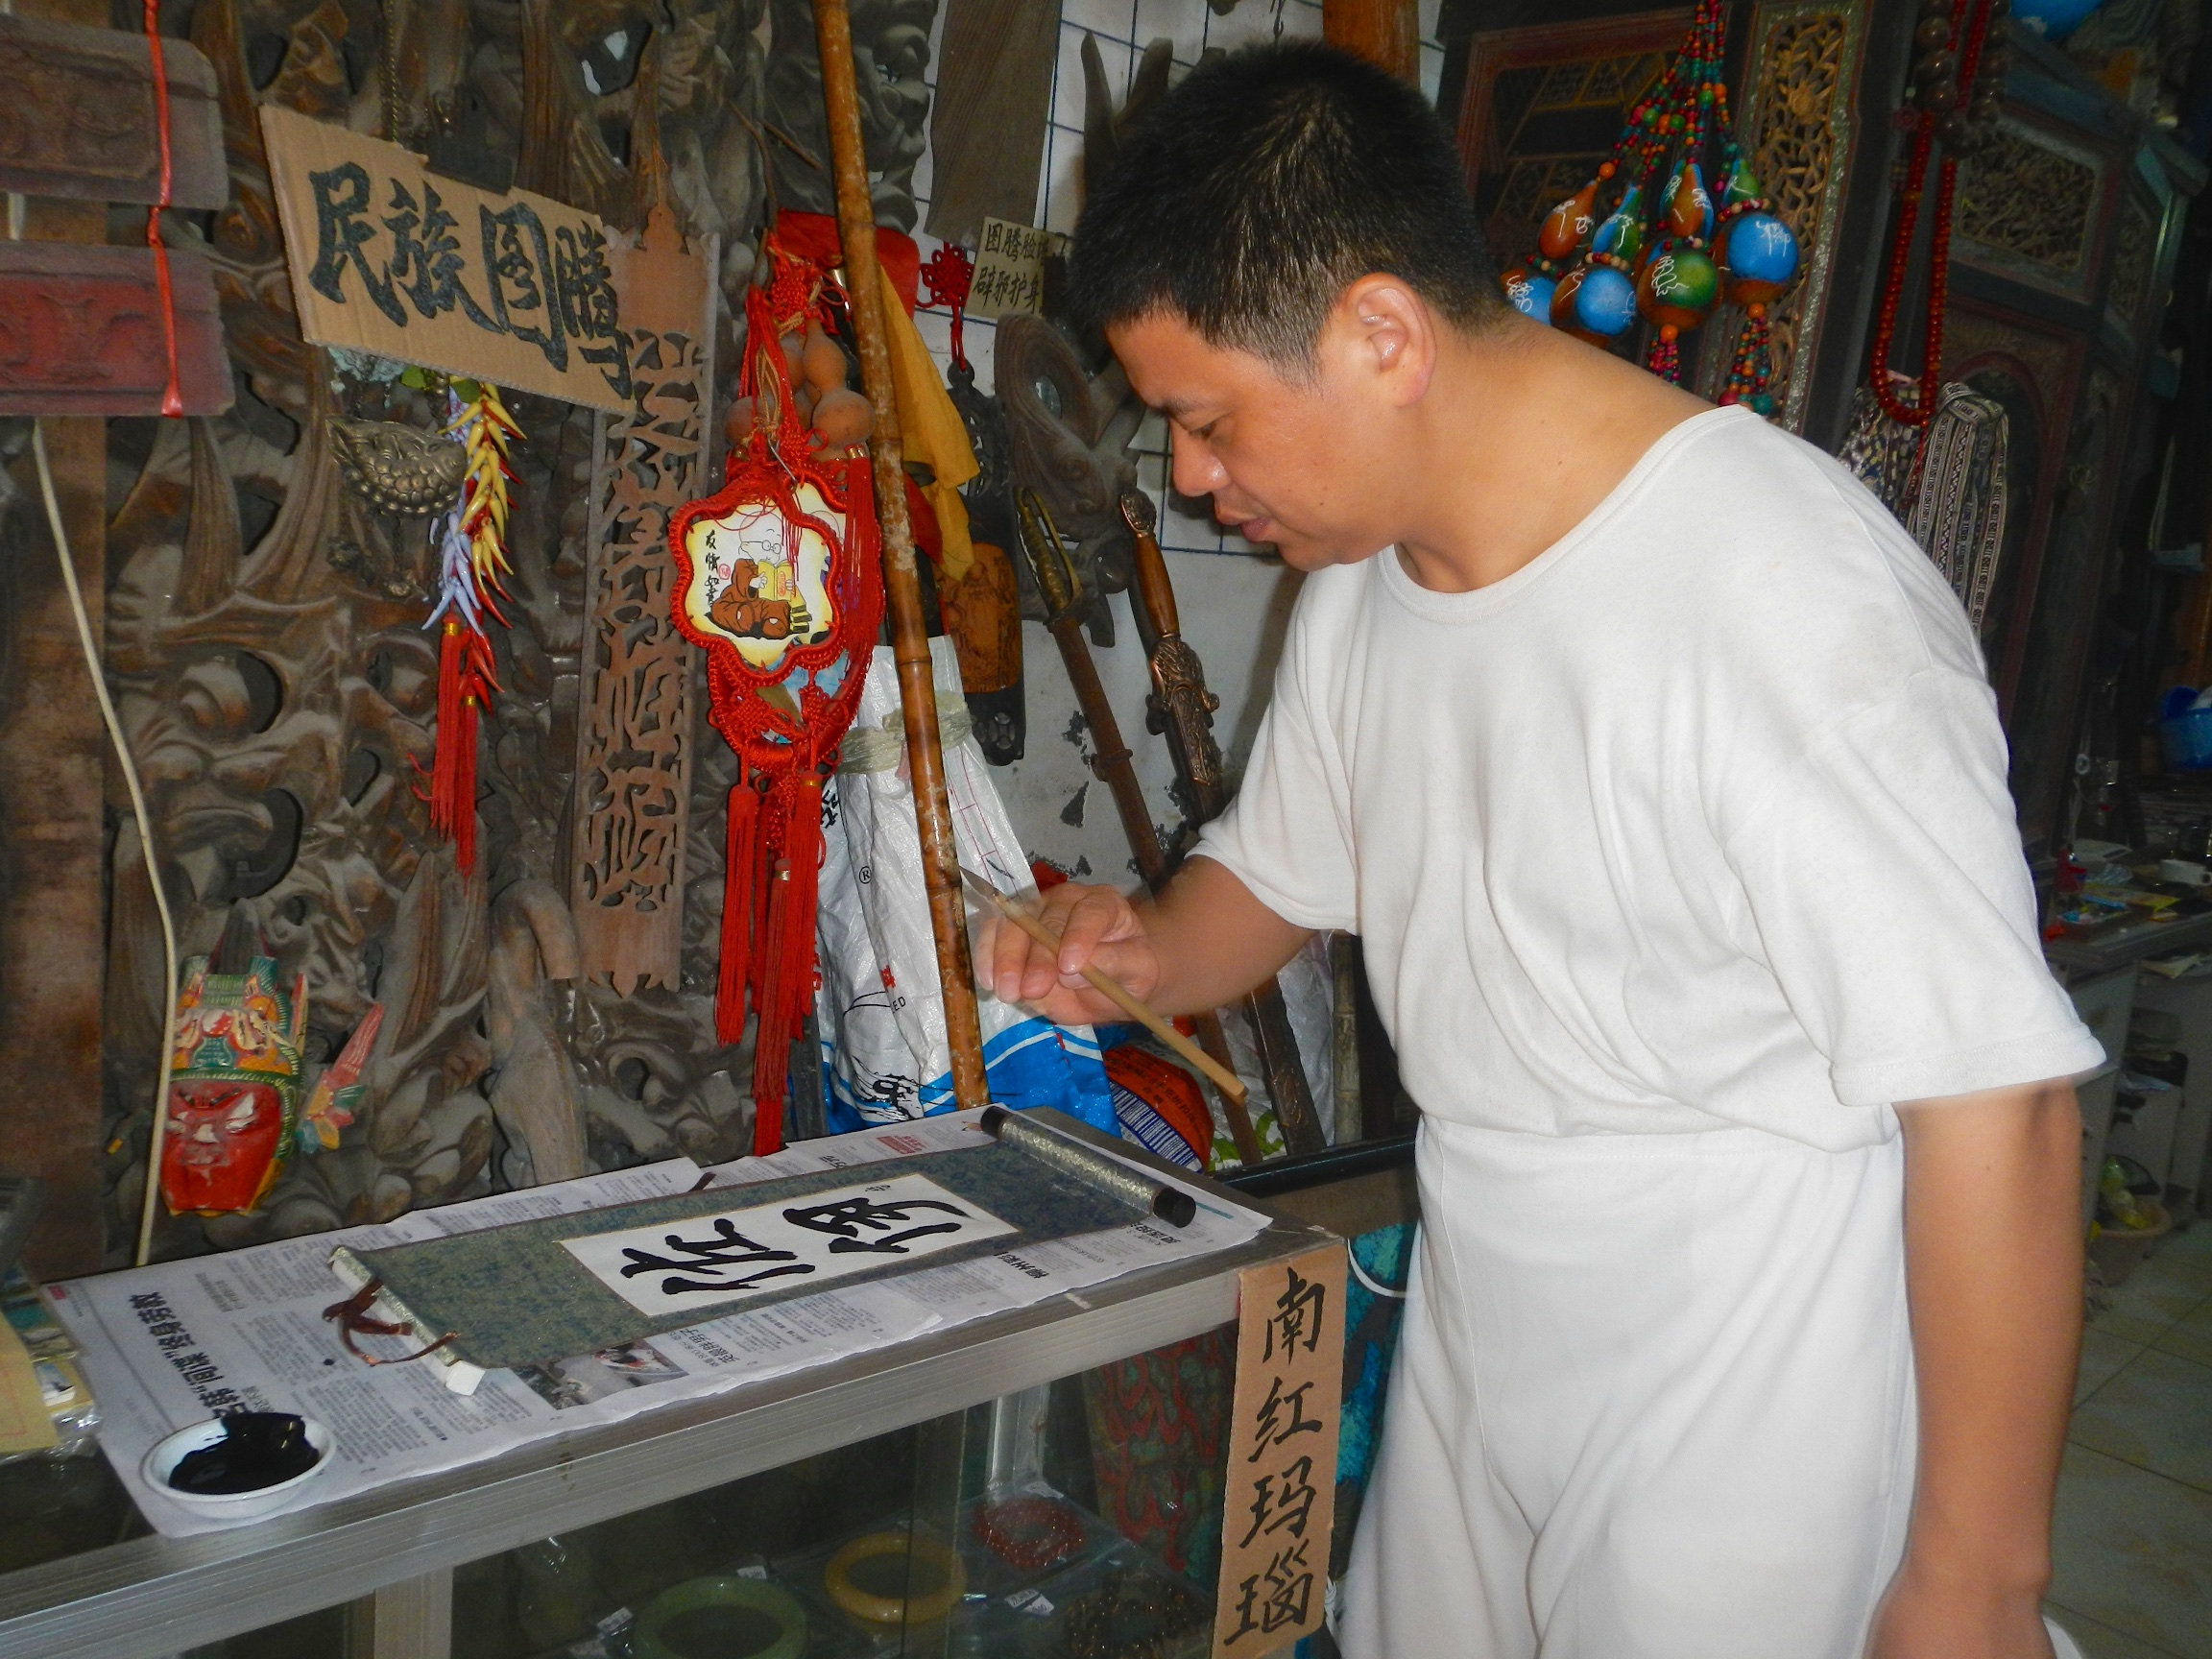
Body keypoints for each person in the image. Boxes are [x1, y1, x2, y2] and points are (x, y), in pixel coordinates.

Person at [982, 40, 2099, 1659]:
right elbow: (1273, 882)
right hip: (1487, 1293)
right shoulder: (1368, 584)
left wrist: (1974, 1582)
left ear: (1382, 334)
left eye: (1208, 420)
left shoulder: (1783, 592)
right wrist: (1136, 951)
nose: (1199, 480)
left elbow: (2001, 1108)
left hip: (1747, 1357)